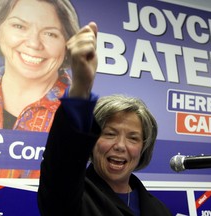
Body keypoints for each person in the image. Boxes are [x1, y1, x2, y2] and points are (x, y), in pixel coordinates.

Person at [38, 21, 172, 216]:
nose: (120, 145)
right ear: (91, 141)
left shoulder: (159, 209)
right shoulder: (69, 194)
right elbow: (62, 161)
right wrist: (81, 86)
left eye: (133, 138)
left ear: (143, 147)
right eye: (110, 134)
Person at [0, 0, 79, 178]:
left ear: (67, 44)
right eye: (19, 26)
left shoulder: (83, 115)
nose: (34, 43)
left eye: (50, 34)